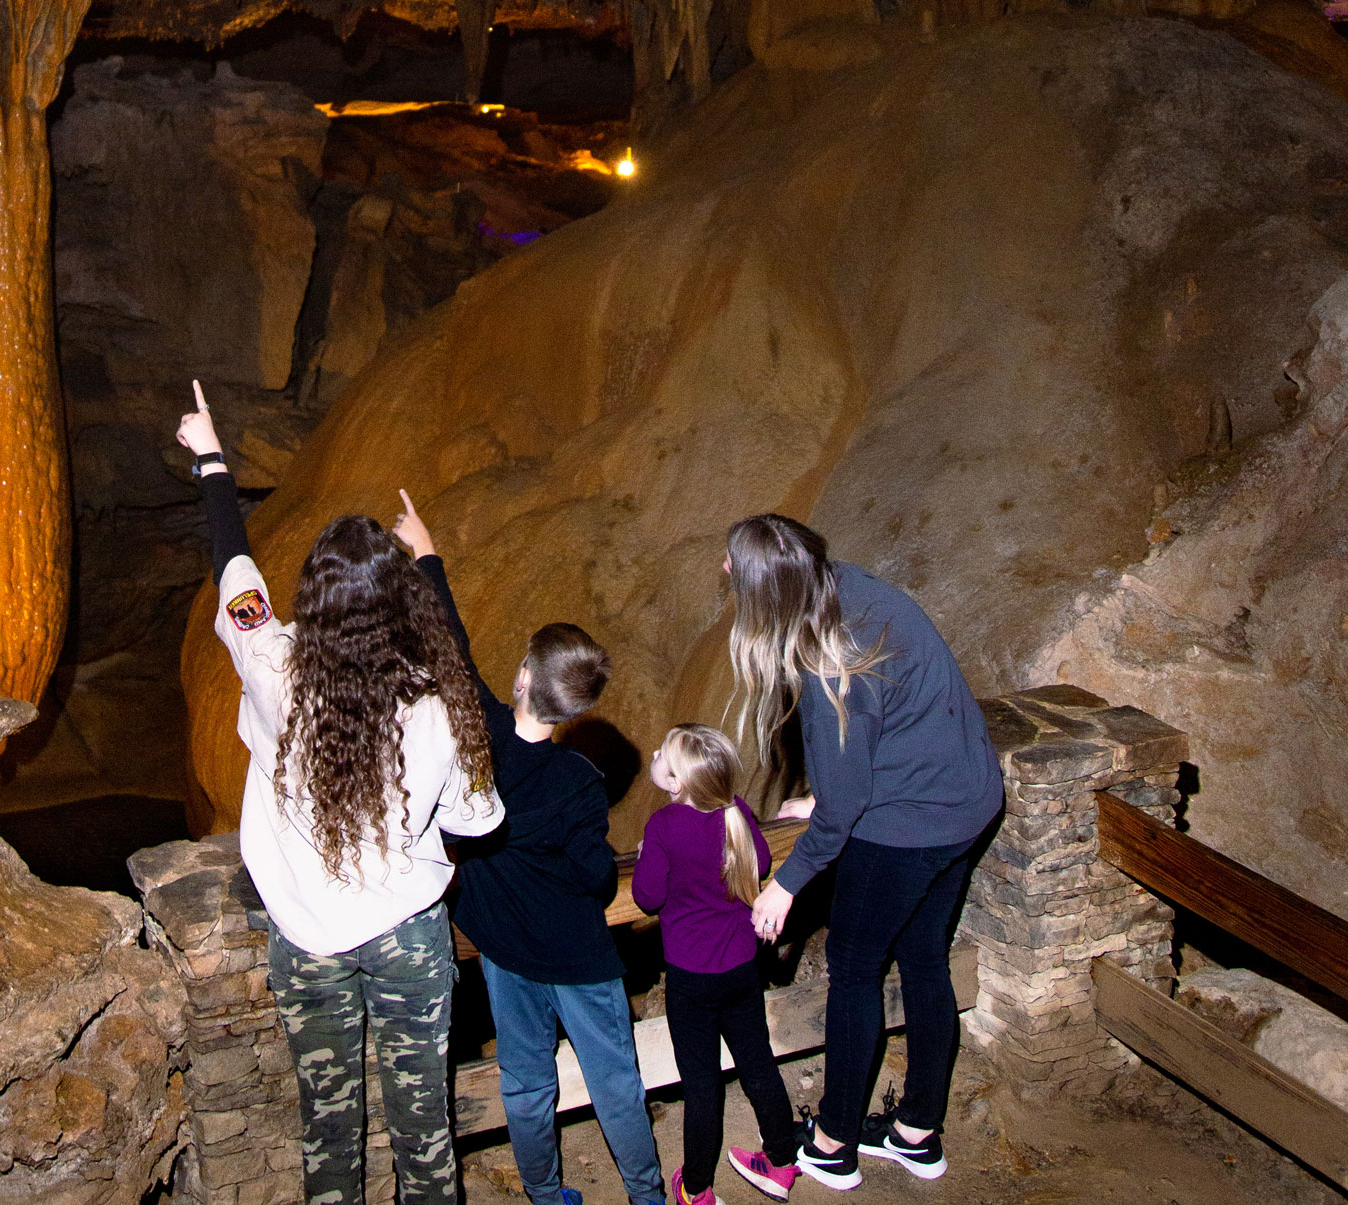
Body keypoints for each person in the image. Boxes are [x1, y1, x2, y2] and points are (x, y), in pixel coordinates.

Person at [178, 391, 505, 1205]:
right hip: (408, 939)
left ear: (314, 603)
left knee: (329, 1130)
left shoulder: (272, 665)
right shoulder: (435, 703)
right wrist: (427, 561)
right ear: (400, 609)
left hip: (308, 941)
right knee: (425, 1135)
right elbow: (476, 818)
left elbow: (234, 571)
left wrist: (214, 460)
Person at [392, 491, 666, 1205]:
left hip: (504, 949)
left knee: (524, 1078)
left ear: (520, 679)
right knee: (614, 1078)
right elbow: (593, 875)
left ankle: (546, 1193)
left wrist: (426, 553)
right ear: (578, 710)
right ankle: (646, 1194)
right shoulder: (581, 781)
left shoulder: (477, 739)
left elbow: (451, 646)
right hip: (577, 956)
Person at [729, 514, 1003, 1191]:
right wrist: (828, 792)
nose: (725, 572)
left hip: (912, 823)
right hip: (966, 797)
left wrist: (785, 883)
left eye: (734, 565)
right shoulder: (849, 588)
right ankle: (917, 1131)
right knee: (923, 958)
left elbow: (846, 811)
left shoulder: (831, 669)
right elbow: (883, 730)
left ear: (768, 593)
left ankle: (831, 1143)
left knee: (852, 968)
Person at [631, 724, 799, 1204]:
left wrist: (649, 857)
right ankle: (783, 1162)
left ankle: (696, 1188)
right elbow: (762, 859)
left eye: (665, 752)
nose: (657, 751)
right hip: (743, 967)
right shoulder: (736, 811)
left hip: (691, 977)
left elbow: (647, 896)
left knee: (702, 1084)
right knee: (757, 1062)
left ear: (676, 782)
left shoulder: (663, 826)